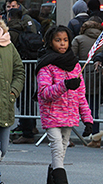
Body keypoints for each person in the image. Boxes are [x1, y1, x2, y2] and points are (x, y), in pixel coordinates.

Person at [35, 25, 93, 183]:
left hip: (69, 115)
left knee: (61, 152)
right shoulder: (46, 65)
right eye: (58, 40)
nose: (62, 44)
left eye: (65, 40)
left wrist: (87, 119)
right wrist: (65, 85)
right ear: (50, 42)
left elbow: (81, 95)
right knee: (57, 148)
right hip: (52, 114)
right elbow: (44, 93)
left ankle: (52, 178)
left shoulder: (75, 65)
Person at [72, 19, 103, 148]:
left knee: (78, 106)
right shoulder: (102, 41)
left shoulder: (79, 39)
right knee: (94, 108)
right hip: (99, 77)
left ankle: (82, 130)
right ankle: (95, 134)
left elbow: (72, 56)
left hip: (82, 77)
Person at [7, 8, 40, 144]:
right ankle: (31, 127)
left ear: (9, 18)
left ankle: (27, 133)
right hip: (30, 70)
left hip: (19, 71)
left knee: (23, 102)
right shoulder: (26, 29)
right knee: (29, 101)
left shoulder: (11, 33)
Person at [0, 19, 25, 184]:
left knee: (3, 149)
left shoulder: (7, 44)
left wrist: (13, 92)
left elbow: (19, 70)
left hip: (5, 104)